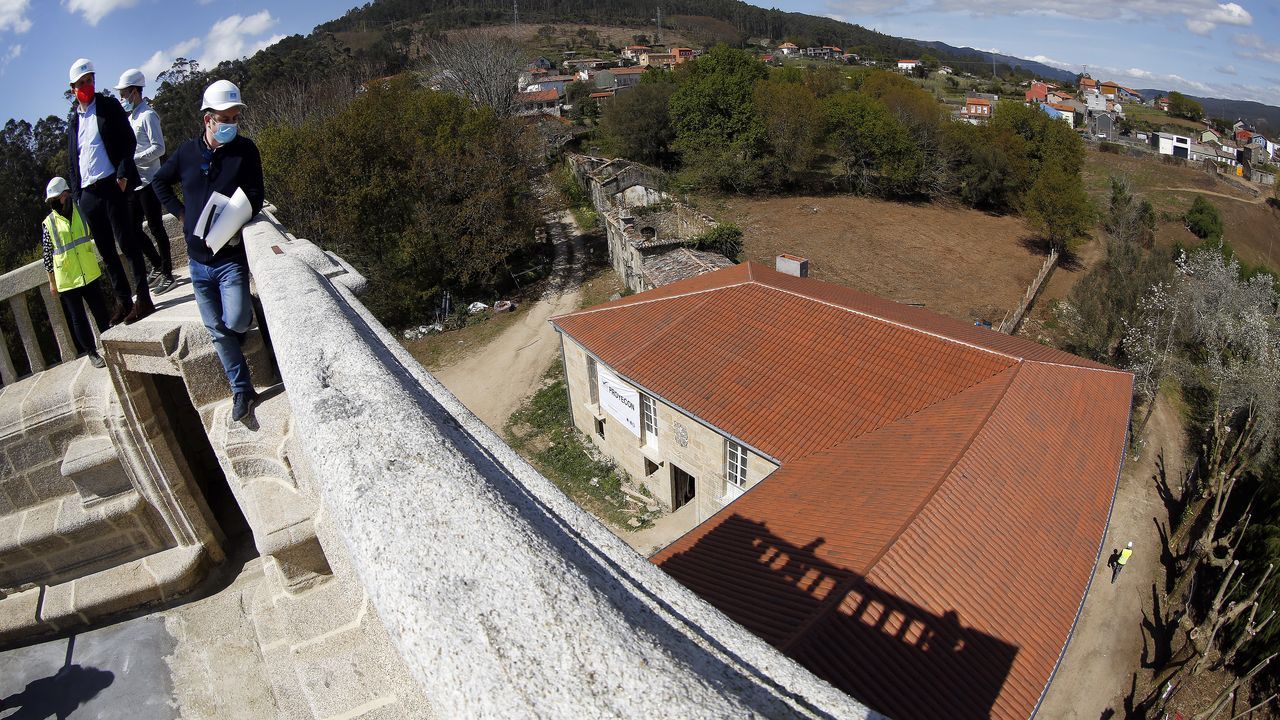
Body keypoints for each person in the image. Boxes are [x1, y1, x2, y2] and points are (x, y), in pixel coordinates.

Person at [153, 80, 264, 422]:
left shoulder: (245, 151)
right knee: (217, 330)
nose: (232, 123)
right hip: (198, 264)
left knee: (234, 321)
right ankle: (241, 390)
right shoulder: (186, 153)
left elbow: (257, 193)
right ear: (208, 120)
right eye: (225, 118)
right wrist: (182, 214)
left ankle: (246, 315)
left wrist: (234, 218)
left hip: (230, 259)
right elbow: (159, 182)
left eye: (235, 117)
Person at [65, 58, 154, 325]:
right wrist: (78, 194)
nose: (87, 86)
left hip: (111, 185)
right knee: (106, 251)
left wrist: (124, 174)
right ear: (73, 89)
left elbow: (128, 141)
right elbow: (73, 160)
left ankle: (143, 299)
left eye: (90, 80)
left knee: (127, 242)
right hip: (88, 192)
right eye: (81, 83)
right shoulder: (73, 120)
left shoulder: (108, 106)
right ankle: (124, 301)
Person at [114, 68, 176, 295]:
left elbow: (159, 147)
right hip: (134, 182)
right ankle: (158, 265)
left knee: (156, 227)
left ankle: (168, 273)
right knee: (131, 229)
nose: (122, 98)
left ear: (135, 92)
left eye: (124, 93)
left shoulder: (148, 115)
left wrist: (134, 159)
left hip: (150, 180)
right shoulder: (130, 118)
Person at [41, 177, 110, 369]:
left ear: (65, 195)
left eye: (57, 198)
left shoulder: (80, 210)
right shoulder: (48, 223)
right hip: (68, 279)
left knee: (100, 311)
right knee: (78, 318)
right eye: (52, 199)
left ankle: (110, 343)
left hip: (89, 271)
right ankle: (92, 353)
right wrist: (52, 283)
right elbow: (47, 256)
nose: (54, 202)